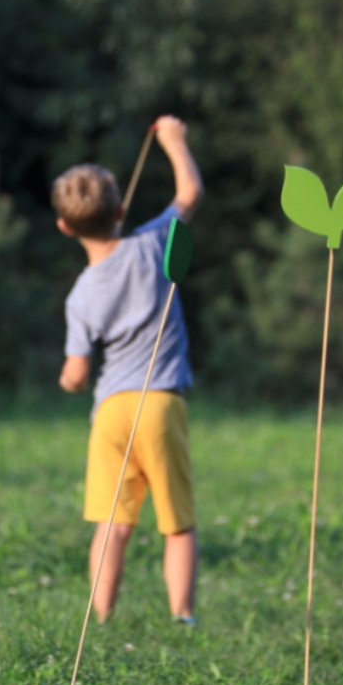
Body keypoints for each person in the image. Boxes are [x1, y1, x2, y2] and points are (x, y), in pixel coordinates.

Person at [53, 115, 203, 624]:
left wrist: (69, 380)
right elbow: (190, 192)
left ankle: (102, 617)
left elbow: (76, 372)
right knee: (177, 523)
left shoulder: (80, 294)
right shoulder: (153, 243)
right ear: (120, 209)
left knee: (112, 525)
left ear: (64, 228)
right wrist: (174, 142)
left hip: (112, 412)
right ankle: (182, 616)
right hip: (160, 402)